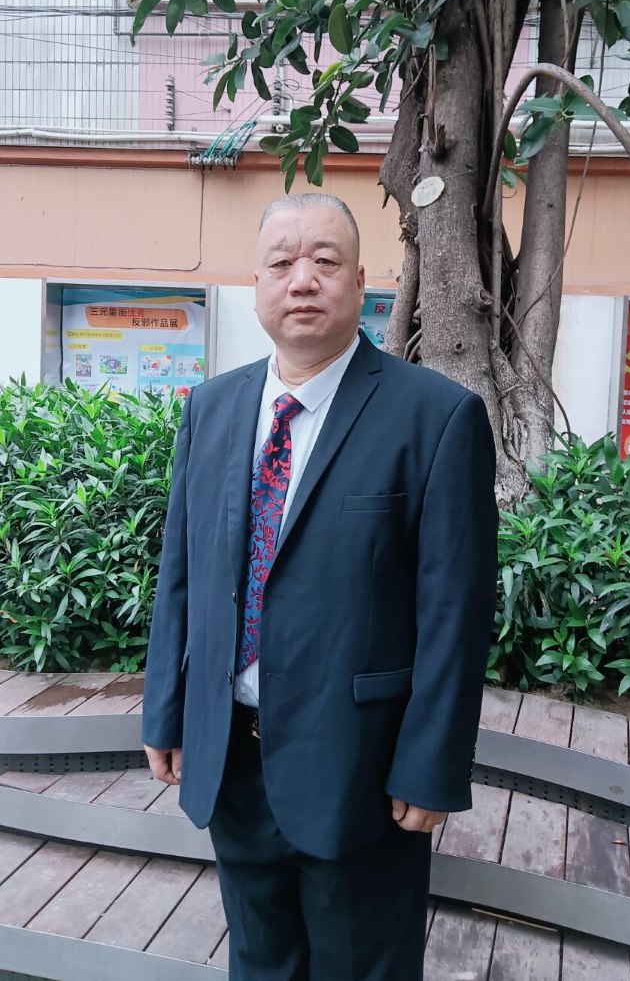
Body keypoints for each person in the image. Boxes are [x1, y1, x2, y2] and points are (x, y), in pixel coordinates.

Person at [142, 192, 498, 981]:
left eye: (325, 261)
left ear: (362, 281)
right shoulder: (212, 409)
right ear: (257, 285)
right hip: (231, 760)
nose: (302, 279)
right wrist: (167, 710)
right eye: (282, 263)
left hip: (362, 773)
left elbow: (455, 613)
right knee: (259, 964)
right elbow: (182, 576)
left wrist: (432, 765)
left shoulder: (436, 418)